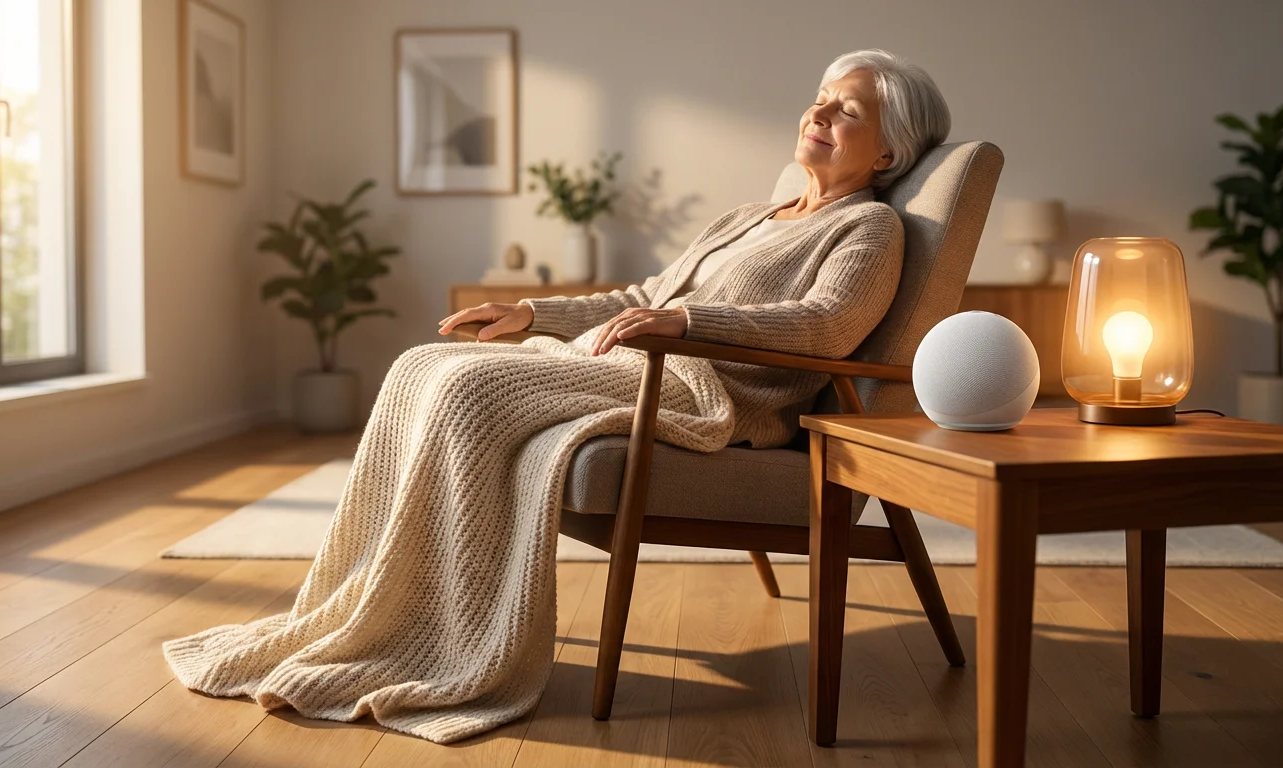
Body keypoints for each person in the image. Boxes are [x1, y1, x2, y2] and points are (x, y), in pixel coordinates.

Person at [163, 48, 951, 745]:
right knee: (420, 365)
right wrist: (533, 314)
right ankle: (371, 608)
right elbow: (645, 292)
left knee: (470, 389)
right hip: (640, 363)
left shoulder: (870, 230)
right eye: (821, 95)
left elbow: (827, 325)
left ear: (887, 151)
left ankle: (450, 637)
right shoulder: (753, 215)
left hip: (705, 393)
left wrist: (684, 320)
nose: (819, 110)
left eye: (847, 109)